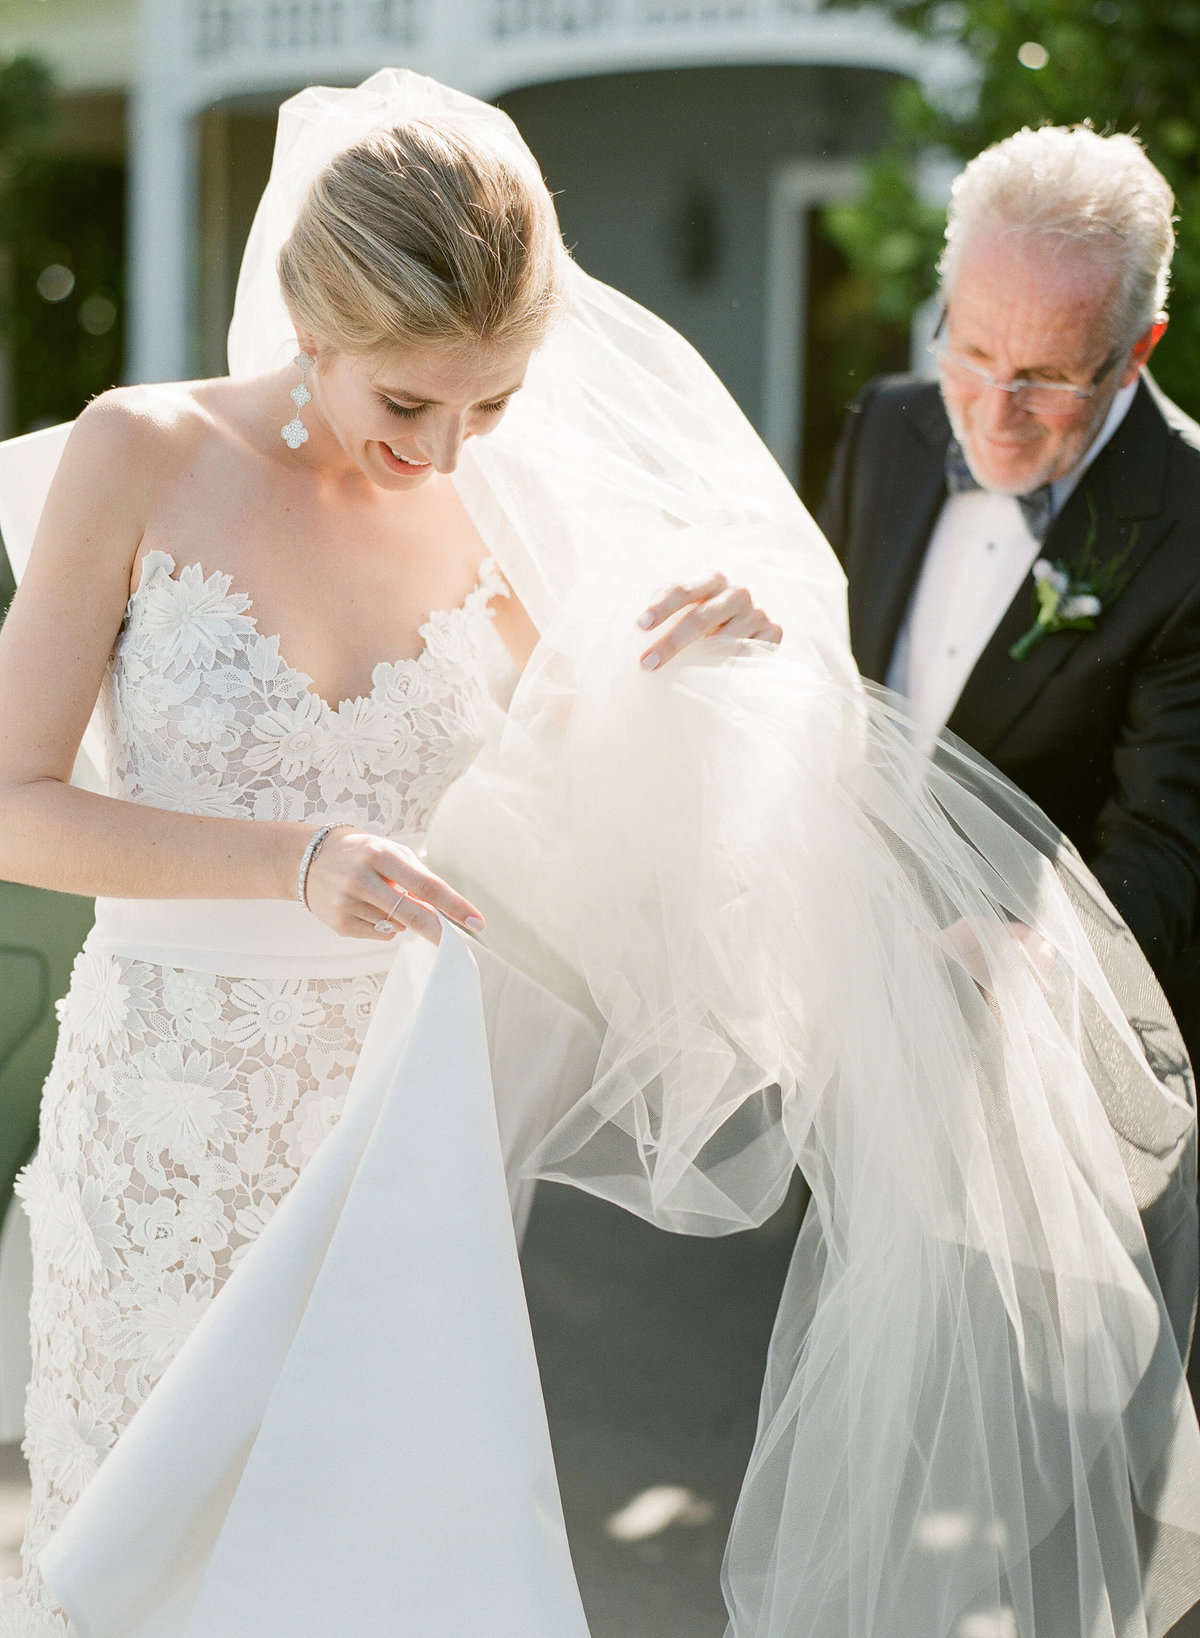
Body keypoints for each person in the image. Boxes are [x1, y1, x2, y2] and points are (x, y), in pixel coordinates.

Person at [0, 73, 1197, 1638]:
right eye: (409, 404)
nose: (449, 449)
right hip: (162, 1115)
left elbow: (609, 790)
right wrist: (295, 859)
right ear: (314, 320)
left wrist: (728, 670)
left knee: (362, 1569)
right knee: (136, 1563)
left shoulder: (496, 516)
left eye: (492, 404)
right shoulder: (138, 453)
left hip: (394, 1136)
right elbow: (19, 800)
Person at [821, 125, 1200, 1065]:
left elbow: (1167, 844)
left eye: (1047, 379)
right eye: (973, 349)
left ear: (1137, 350)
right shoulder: (888, 424)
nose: (993, 415)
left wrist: (1048, 966)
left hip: (1047, 1056)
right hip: (852, 1004)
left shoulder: (1191, 524)